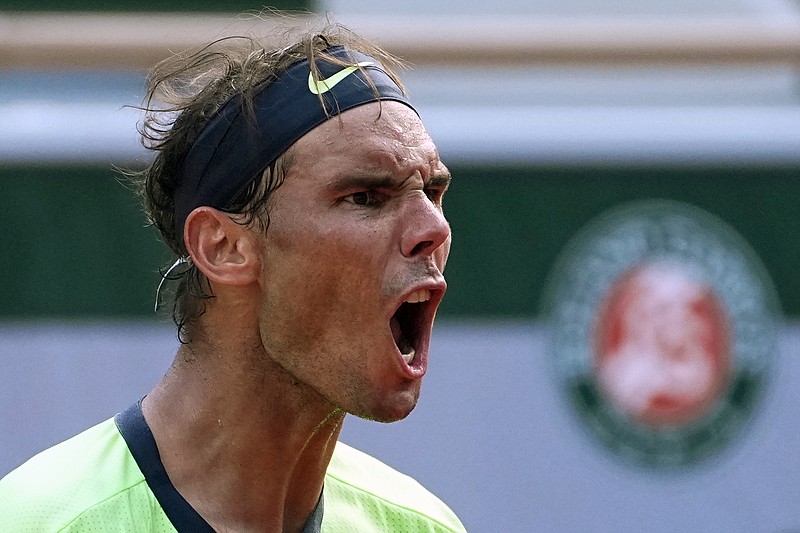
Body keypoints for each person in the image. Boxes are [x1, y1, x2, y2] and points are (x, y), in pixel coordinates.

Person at [0, 23, 466, 532]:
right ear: (223, 247)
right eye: (366, 197)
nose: (433, 229)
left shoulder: (422, 525)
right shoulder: (38, 521)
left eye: (432, 191)